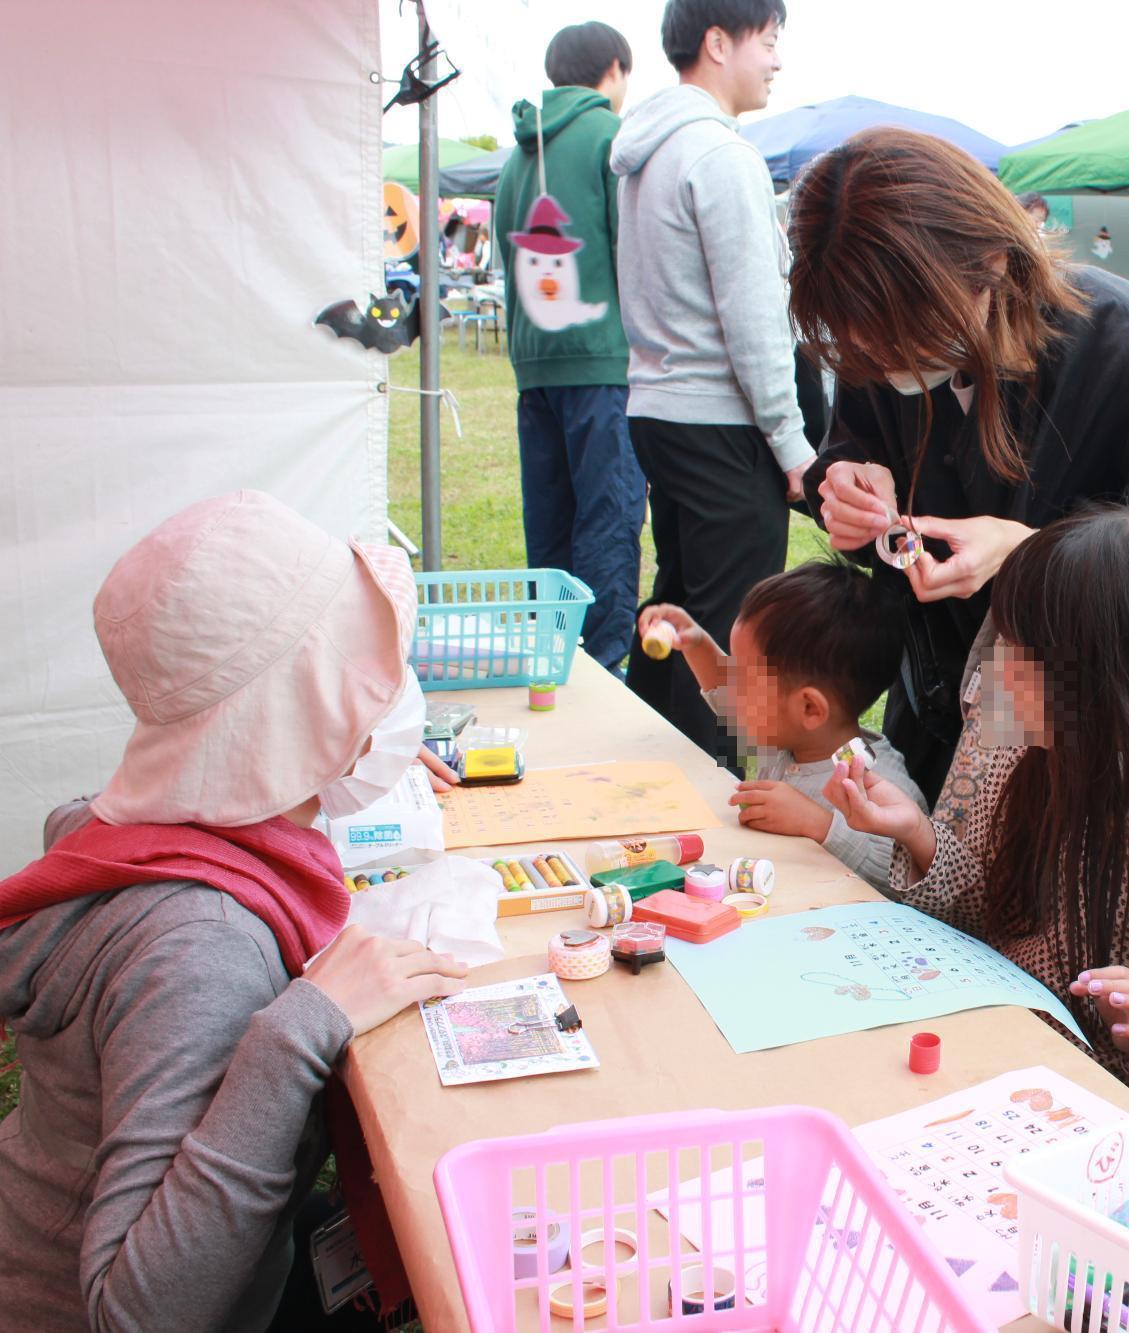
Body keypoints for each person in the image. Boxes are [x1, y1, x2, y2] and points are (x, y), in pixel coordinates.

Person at [0, 491, 470, 1330]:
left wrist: (340, 768)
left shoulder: (137, 833)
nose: (393, 692)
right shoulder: (201, 946)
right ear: (312, 711)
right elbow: (138, 1315)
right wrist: (299, 1030)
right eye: (368, 677)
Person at [789, 127, 1129, 802]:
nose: (889, 365)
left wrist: (1029, 553)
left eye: (911, 340)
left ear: (991, 262)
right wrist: (841, 486)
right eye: (867, 351)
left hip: (1097, 752)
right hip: (943, 720)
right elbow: (851, 445)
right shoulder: (876, 327)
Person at [823, 509, 1129, 1096]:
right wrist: (916, 834)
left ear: (1113, 685)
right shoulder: (1029, 762)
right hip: (998, 1056)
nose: (996, 671)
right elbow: (995, 915)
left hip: (1107, 1109)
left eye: (1022, 654)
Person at [610, 0, 811, 765]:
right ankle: (704, 791)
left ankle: (645, 769)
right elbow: (755, 318)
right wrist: (792, 446)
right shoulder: (720, 155)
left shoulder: (650, 150)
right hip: (719, 418)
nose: (777, 60)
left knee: (678, 607)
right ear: (718, 43)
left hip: (660, 408)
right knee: (731, 626)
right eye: (770, 41)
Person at [494, 20, 646, 671]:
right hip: (601, 362)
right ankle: (604, 668)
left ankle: (552, 660)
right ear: (614, 70)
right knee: (608, 518)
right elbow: (631, 251)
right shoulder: (610, 137)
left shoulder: (517, 155)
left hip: (535, 367)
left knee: (550, 524)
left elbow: (506, 257)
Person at [635, 561, 928, 890]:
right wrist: (696, 642)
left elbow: (905, 880)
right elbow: (728, 696)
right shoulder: (783, 734)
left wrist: (818, 824)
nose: (733, 689)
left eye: (744, 679)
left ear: (810, 708)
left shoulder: (877, 782)